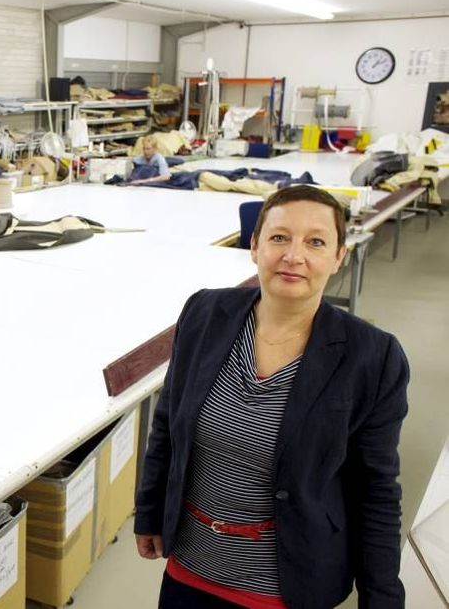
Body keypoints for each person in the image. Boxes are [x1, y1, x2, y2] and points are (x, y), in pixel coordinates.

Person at [135, 185, 409, 609]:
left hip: (285, 586)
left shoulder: (372, 357)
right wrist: (150, 511)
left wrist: (382, 599)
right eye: (279, 237)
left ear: (340, 256)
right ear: (254, 247)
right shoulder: (205, 313)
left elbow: (375, 490)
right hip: (190, 566)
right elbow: (168, 424)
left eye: (316, 242)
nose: (293, 256)